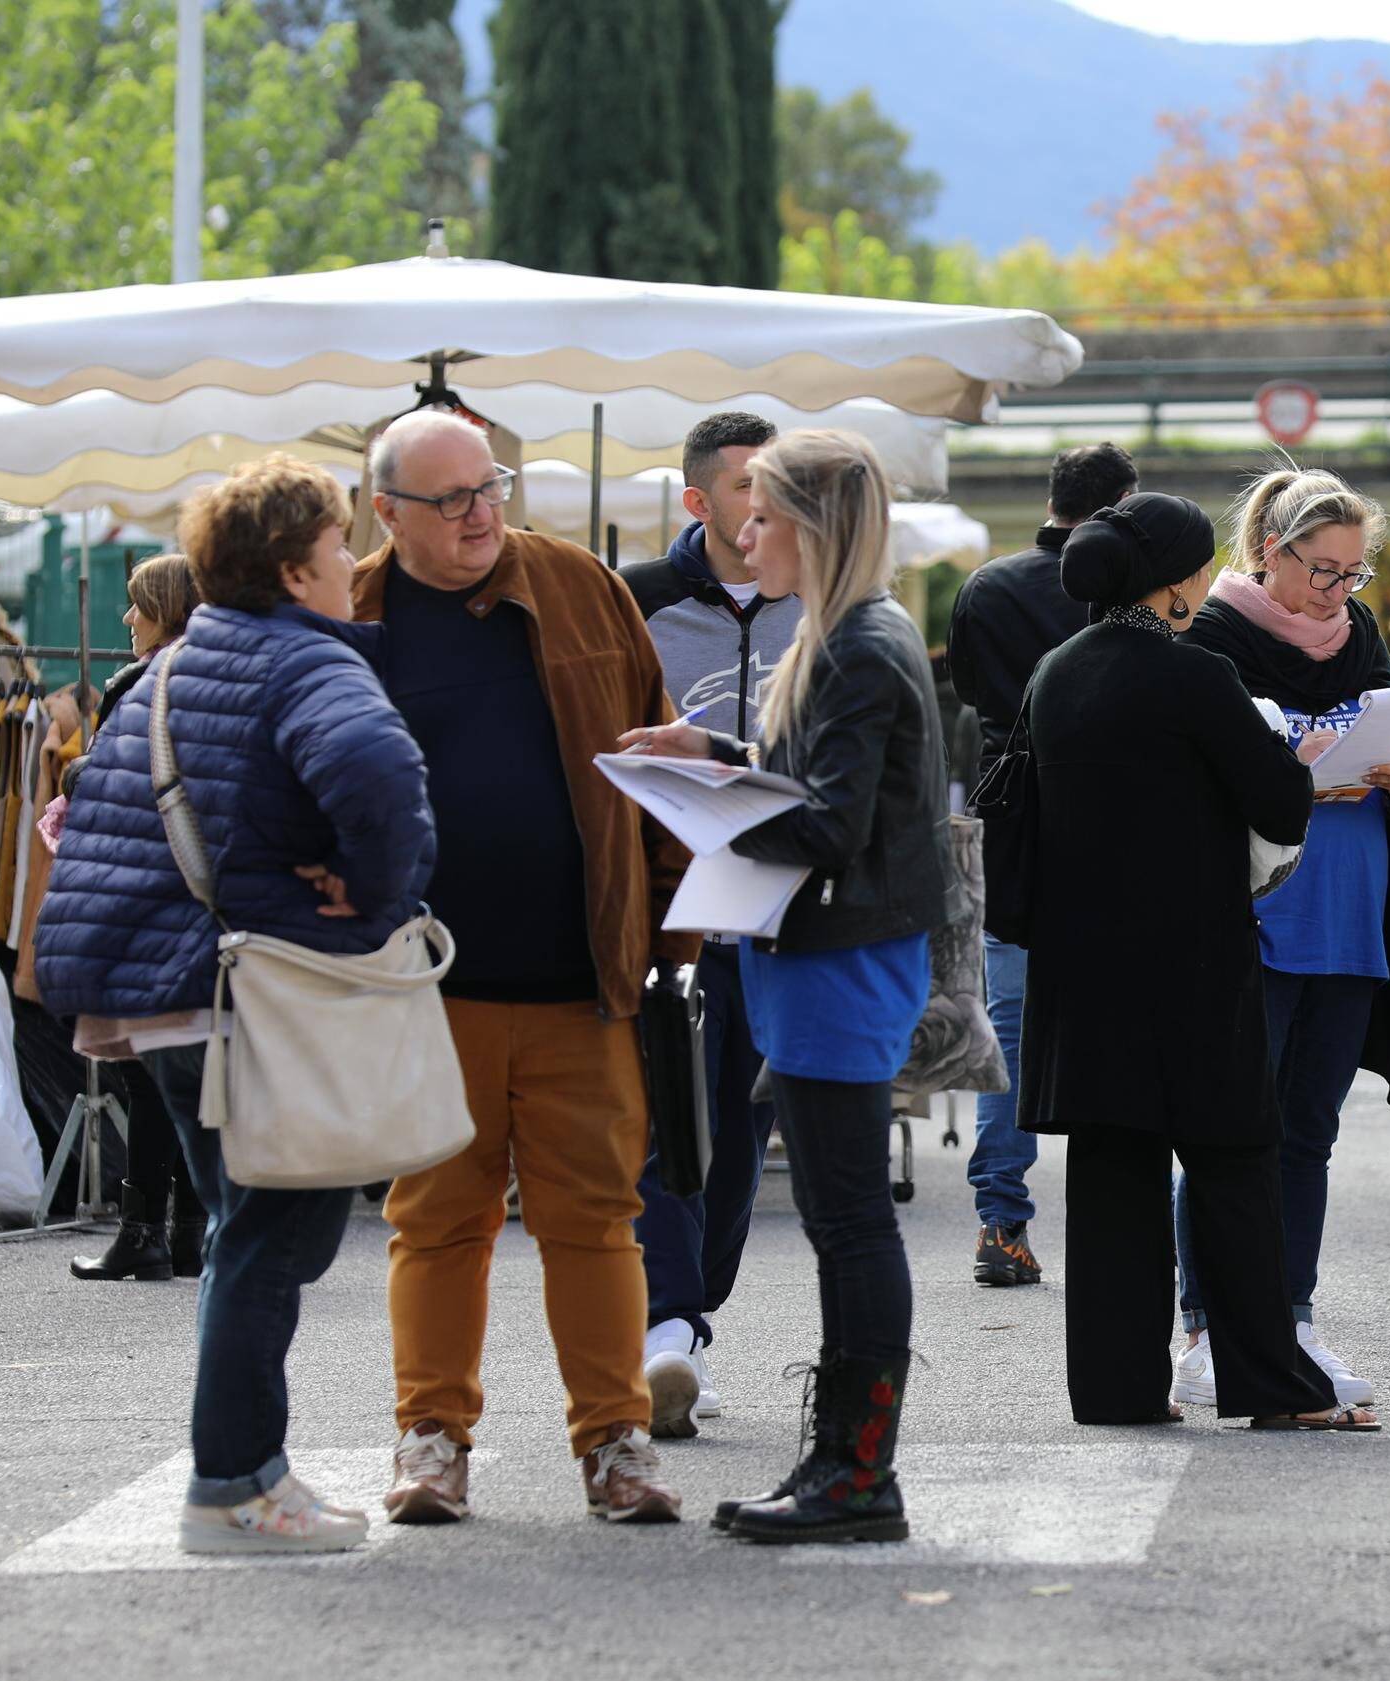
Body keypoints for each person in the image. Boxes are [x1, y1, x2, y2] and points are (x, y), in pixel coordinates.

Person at [35, 455, 437, 1552]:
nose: (352, 561)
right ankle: (233, 1487)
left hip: (168, 1001)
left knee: (241, 1234)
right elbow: (382, 780)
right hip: (257, 993)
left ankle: (248, 1472)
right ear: (294, 567)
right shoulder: (310, 663)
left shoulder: (173, 664)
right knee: (272, 1240)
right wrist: (374, 901)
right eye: (338, 542)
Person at [622, 429, 960, 1544]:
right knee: (842, 1217)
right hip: (829, 954)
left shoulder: (858, 643)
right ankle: (844, 1462)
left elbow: (828, 821)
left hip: (836, 958)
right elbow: (828, 792)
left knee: (849, 1221)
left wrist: (712, 789)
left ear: (810, 528)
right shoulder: (858, 631)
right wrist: (715, 753)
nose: (746, 535)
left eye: (764, 518)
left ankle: (858, 1472)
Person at [361, 411, 696, 1527]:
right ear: (387, 512)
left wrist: (673, 935)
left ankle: (616, 1443)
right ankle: (431, 1441)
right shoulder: (355, 606)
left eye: (490, 486)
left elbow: (656, 752)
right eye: (449, 498)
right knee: (437, 1219)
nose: (478, 513)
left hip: (581, 974)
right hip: (421, 988)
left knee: (594, 1220)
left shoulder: (578, 585)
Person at [1017, 492, 1374, 1430]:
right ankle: (1271, 1386)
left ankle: (1115, 1389)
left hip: (1083, 972)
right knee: (1234, 1168)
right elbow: (1282, 803)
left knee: (1110, 1180)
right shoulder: (1196, 676)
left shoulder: (1054, 673)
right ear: (1178, 583)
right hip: (1192, 962)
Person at [1172, 466, 1390, 1414]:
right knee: (1229, 1127)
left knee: (1308, 1133)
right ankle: (1206, 1326)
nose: (1337, 591)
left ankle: (1291, 1317)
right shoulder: (1211, 637)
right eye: (1322, 570)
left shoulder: (1361, 637)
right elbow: (1189, 784)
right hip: (1257, 913)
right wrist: (1290, 778)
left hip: (1348, 917)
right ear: (1268, 553)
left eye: (1352, 573)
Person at [619, 411, 798, 1434]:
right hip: (668, 915)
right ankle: (667, 1329)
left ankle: (693, 1313)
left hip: (777, 915)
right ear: (698, 501)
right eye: (743, 485)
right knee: (662, 1132)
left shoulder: (816, 599)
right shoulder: (633, 601)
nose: (763, 503)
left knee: (740, 1137)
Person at [947, 441, 1139, 1288]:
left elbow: (971, 699)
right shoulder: (1130, 591)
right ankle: (1118, 1222)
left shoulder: (987, 586)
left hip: (1010, 823)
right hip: (1115, 828)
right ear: (1120, 503)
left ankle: (1002, 1221)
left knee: (1010, 1027)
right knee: (1123, 1021)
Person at [61, 552, 206, 1283]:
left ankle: (143, 1232)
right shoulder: (212, 674)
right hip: (201, 898)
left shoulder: (142, 681)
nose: (126, 618)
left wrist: (71, 776)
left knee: (150, 1067)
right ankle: (185, 1231)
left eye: (137, 602)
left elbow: (115, 781)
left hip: (147, 896)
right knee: (186, 1062)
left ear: (166, 606)